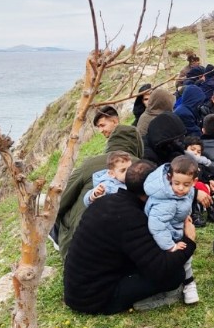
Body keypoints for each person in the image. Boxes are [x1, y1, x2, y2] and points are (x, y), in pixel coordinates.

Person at [63, 160, 196, 314]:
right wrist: (189, 241)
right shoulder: (132, 218)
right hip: (95, 298)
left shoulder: (108, 200)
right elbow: (161, 268)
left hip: (79, 286)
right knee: (175, 275)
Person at [56, 111, 144, 259]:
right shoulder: (144, 168)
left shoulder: (90, 164)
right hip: (129, 246)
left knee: (65, 208)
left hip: (80, 249)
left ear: (111, 142)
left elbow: (62, 200)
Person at [144, 155, 201, 304]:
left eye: (186, 184)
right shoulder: (166, 202)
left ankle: (185, 282)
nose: (181, 188)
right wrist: (170, 246)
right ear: (169, 178)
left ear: (194, 182)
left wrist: (186, 216)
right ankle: (188, 284)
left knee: (185, 259)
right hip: (165, 236)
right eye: (176, 183)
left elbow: (186, 201)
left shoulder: (185, 192)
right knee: (184, 257)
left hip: (175, 227)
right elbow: (156, 226)